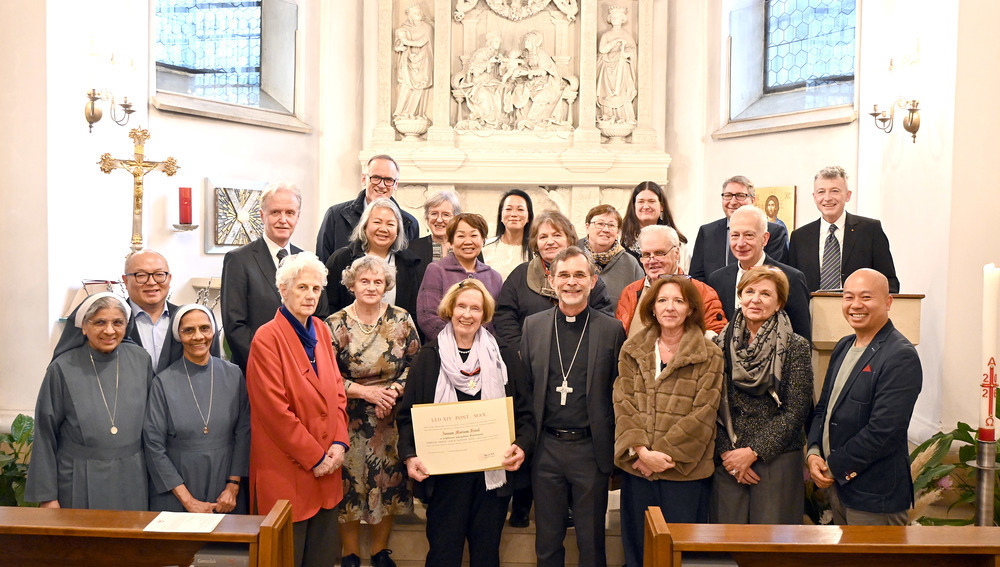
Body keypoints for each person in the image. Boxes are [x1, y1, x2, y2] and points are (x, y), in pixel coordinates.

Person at [397, 279, 534, 567]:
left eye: (475, 308)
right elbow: (407, 416)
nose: (467, 315)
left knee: (486, 555)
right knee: (443, 555)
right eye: (461, 306)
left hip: (491, 476)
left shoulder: (504, 357)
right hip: (445, 478)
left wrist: (522, 445)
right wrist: (409, 455)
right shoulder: (428, 358)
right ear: (450, 309)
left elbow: (525, 414)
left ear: (485, 314)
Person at [520, 247, 626, 567]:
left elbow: (619, 391)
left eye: (579, 275)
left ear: (593, 281)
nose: (571, 282)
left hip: (590, 448)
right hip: (546, 447)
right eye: (564, 275)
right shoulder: (533, 326)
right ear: (551, 280)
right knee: (547, 542)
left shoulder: (611, 329)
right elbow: (525, 390)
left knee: (591, 543)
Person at [245, 252, 349, 567]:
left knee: (322, 558)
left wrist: (339, 442)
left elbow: (338, 391)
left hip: (327, 469)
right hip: (288, 471)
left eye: (316, 289)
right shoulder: (266, 338)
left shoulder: (321, 329)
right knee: (285, 558)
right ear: (284, 289)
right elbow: (274, 412)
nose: (310, 295)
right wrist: (315, 458)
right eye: (302, 287)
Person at [614, 276, 723, 566]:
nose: (669, 307)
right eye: (662, 300)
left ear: (691, 308)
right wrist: (641, 452)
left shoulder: (709, 353)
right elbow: (623, 402)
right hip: (639, 470)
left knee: (681, 554)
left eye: (678, 301)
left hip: (683, 473)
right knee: (639, 552)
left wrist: (659, 456)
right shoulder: (632, 349)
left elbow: (704, 412)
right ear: (652, 307)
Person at [325, 256, 419, 567]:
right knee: (349, 484)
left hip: (390, 416)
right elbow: (325, 374)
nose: (371, 287)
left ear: (386, 286)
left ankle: (380, 551)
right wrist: (365, 392)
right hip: (348, 416)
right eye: (364, 281)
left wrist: (393, 392)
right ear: (351, 284)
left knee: (388, 483)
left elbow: (416, 364)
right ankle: (350, 553)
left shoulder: (402, 318)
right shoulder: (334, 323)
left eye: (378, 281)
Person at [807, 268, 921, 525]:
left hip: (874, 495)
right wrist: (813, 452)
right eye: (848, 297)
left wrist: (834, 467)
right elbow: (824, 408)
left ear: (888, 302)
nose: (855, 305)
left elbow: (884, 431)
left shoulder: (899, 355)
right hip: (838, 488)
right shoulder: (843, 346)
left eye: (866, 297)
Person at [26, 292, 153, 510]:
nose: (109, 330)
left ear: (127, 325)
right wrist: (47, 496)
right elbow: (45, 433)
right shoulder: (62, 368)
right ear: (84, 327)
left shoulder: (141, 359)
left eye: (117, 323)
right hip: (78, 476)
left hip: (133, 475)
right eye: (100, 322)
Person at [710, 267, 813, 525]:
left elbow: (796, 411)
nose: (755, 299)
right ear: (740, 297)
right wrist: (727, 453)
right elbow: (709, 405)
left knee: (772, 543)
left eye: (766, 294)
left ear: (779, 303)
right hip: (728, 460)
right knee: (727, 542)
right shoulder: (719, 344)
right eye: (749, 292)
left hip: (777, 460)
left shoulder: (796, 346)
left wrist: (754, 451)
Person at [144, 304, 251, 514]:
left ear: (213, 331)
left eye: (204, 328)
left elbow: (244, 432)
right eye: (188, 330)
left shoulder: (234, 375)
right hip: (178, 488)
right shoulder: (163, 382)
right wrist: (188, 500)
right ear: (178, 335)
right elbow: (153, 445)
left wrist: (233, 486)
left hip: (227, 485)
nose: (198, 336)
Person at [222, 182, 325, 374]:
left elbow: (319, 316)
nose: (283, 220)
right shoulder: (238, 260)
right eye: (275, 212)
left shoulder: (308, 260)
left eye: (290, 213)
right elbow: (234, 326)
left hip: (304, 370)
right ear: (262, 215)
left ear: (298, 217)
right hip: (259, 369)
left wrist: (304, 362)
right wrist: (269, 364)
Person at [494, 210, 614, 352]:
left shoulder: (588, 276)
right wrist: (523, 351)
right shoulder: (520, 275)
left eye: (557, 235)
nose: (550, 242)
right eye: (543, 237)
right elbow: (505, 318)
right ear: (536, 242)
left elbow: (603, 319)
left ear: (569, 239)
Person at [706, 205, 812, 341]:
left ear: (765, 239)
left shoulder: (791, 278)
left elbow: (802, 339)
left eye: (749, 235)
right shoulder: (717, 279)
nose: (740, 243)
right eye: (735, 235)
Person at [788, 166, 900, 293]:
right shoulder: (799, 237)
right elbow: (791, 285)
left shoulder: (870, 231)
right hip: (812, 306)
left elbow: (890, 283)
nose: (827, 198)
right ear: (814, 197)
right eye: (821, 192)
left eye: (835, 191)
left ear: (848, 195)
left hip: (858, 304)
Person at [615, 225, 727, 338]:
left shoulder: (702, 293)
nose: (651, 260)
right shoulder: (630, 293)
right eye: (646, 255)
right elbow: (619, 338)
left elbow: (717, 338)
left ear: (676, 253)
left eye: (659, 253)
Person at [324, 198, 423, 323]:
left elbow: (413, 313)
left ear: (398, 230)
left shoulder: (409, 263)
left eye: (390, 224)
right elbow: (329, 306)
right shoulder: (341, 259)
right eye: (377, 222)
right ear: (365, 226)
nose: (383, 229)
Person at [124, 249, 220, 373]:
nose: (152, 282)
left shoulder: (185, 320)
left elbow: (212, 369)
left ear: (169, 278)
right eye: (141, 275)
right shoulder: (113, 322)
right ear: (125, 281)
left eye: (159, 274)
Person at [316, 155, 420, 262]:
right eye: (376, 178)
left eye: (388, 180)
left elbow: (412, 266)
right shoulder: (335, 215)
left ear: (396, 184)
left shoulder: (410, 224)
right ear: (363, 179)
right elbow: (321, 265)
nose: (381, 185)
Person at [416, 213, 503, 339]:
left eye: (474, 235)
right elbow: (427, 316)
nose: (468, 241)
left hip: (485, 347)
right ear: (450, 241)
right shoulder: (436, 270)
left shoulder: (494, 277)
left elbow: (498, 319)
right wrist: (458, 342)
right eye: (461, 236)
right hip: (444, 346)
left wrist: (484, 343)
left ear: (483, 240)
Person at [690, 175, 790, 282]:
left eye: (740, 196)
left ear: (753, 200)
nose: (733, 202)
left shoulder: (775, 232)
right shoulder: (706, 232)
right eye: (728, 195)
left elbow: (777, 275)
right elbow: (696, 277)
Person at [579, 204, 643, 312]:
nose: (605, 229)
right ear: (587, 227)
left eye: (611, 225)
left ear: (618, 231)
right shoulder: (571, 255)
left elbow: (640, 302)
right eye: (600, 224)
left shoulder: (630, 264)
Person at [619, 181, 688, 269]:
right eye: (641, 202)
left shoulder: (677, 242)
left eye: (651, 201)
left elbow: (685, 272)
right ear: (634, 206)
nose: (646, 206)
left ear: (661, 206)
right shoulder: (619, 238)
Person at [596, 6, 637, 125]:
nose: (615, 19)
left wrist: (626, 53)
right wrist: (615, 42)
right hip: (607, 65)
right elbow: (602, 49)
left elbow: (632, 50)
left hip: (621, 64)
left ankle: (623, 116)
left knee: (622, 87)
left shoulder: (626, 35)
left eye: (617, 17)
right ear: (610, 18)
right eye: (613, 17)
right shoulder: (606, 35)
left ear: (622, 19)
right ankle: (608, 114)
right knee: (606, 91)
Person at [482, 189, 534, 280]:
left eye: (520, 209)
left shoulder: (536, 250)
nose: (514, 214)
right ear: (501, 216)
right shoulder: (485, 248)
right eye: (508, 209)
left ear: (528, 217)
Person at [393, 4, 433, 120]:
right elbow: (397, 45)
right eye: (415, 13)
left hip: (423, 60)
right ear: (409, 15)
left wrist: (406, 42)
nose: (418, 14)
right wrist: (399, 46)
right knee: (406, 85)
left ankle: (415, 113)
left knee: (420, 85)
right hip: (408, 60)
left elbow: (421, 42)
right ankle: (401, 113)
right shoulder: (403, 29)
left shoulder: (427, 27)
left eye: (419, 12)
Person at [409, 191, 461, 267]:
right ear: (427, 218)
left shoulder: (467, 247)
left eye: (446, 215)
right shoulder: (412, 249)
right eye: (434, 214)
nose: (439, 220)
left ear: (455, 219)